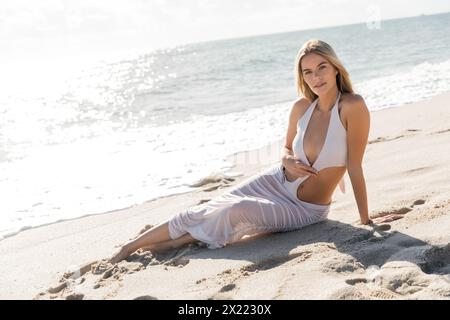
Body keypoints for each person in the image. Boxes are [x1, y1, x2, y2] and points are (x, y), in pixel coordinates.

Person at [109, 39, 403, 264]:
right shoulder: (301, 107)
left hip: (303, 209)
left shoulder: (353, 106)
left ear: (335, 66)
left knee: (235, 211)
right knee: (206, 207)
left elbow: (355, 167)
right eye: (308, 72)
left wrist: (366, 221)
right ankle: (129, 247)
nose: (316, 77)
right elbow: (286, 149)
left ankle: (175, 242)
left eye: (322, 67)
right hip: (274, 180)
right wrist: (287, 158)